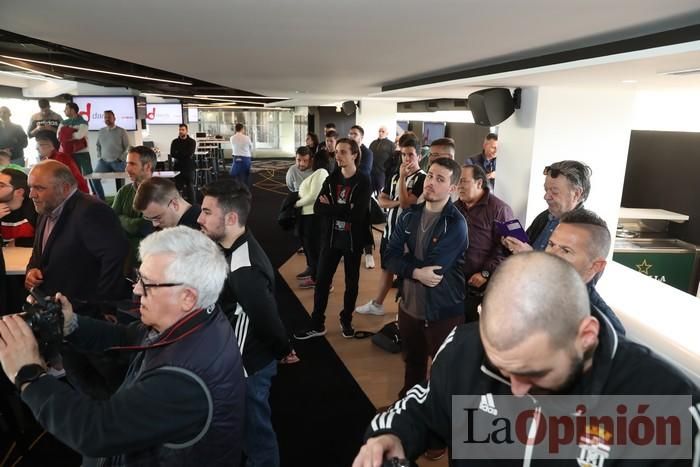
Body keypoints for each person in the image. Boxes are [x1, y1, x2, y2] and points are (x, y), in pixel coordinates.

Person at [353, 252, 700, 467]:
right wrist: (392, 436)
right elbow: (423, 408)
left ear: (586, 336)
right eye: (502, 369)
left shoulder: (671, 406)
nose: (516, 390)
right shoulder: (465, 349)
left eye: (534, 372)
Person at [0, 226, 246, 466]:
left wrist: (29, 375)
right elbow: (126, 338)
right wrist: (71, 324)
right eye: (139, 277)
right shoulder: (199, 317)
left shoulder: (185, 378)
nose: (136, 289)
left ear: (187, 297)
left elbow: (97, 432)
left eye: (147, 284)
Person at [198, 179, 294, 467]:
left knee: (257, 436)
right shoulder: (232, 248)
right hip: (241, 360)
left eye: (206, 212)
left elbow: (265, 318)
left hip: (246, 367)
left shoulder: (244, 268)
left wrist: (282, 350)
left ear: (230, 218)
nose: (199, 219)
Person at [384, 157, 467, 398]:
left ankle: (440, 423)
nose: (430, 182)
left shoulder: (456, 224)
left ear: (452, 189)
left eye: (440, 179)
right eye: (430, 175)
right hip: (409, 306)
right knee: (412, 364)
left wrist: (405, 265)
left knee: (444, 371)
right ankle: (408, 410)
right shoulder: (409, 216)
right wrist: (416, 272)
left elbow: (436, 270)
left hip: (442, 311)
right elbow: (389, 257)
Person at [25, 160, 130, 311]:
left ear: (65, 188)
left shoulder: (92, 210)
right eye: (30, 187)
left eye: (39, 188)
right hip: (53, 307)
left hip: (84, 312)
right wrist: (32, 270)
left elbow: (115, 258)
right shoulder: (46, 207)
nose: (31, 194)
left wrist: (104, 306)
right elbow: (40, 252)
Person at [293, 138, 371, 340]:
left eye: (343, 152)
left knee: (351, 283)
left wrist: (333, 208)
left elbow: (358, 215)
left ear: (354, 154)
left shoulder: (363, 180)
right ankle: (316, 323)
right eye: (337, 152)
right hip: (331, 239)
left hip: (352, 240)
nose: (338, 155)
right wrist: (346, 208)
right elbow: (319, 208)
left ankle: (346, 319)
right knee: (322, 282)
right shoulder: (332, 178)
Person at [355, 132, 425, 316]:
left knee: (406, 275)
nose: (407, 158)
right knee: (386, 269)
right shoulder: (394, 176)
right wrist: (397, 199)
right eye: (403, 154)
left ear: (419, 156)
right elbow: (382, 200)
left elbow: (405, 203)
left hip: (408, 236)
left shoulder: (422, 179)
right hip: (390, 232)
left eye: (410, 154)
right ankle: (377, 305)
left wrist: (402, 182)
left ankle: (404, 311)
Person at [546, 208, 626, 335]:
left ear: (595, 266)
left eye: (566, 250)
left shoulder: (604, 330)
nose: (550, 254)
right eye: (551, 244)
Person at [454, 164, 513, 322]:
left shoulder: (501, 209)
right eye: (458, 181)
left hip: (480, 287)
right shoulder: (454, 207)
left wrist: (486, 272)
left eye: (463, 181)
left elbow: (512, 248)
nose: (459, 185)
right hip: (453, 282)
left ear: (479, 183)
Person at [503, 160, 592, 253]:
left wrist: (529, 255)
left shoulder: (584, 231)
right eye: (546, 190)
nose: (546, 197)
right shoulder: (544, 217)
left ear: (576, 194)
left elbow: (565, 267)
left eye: (554, 192)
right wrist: (513, 246)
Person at [113, 146, 156, 271]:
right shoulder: (124, 191)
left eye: (132, 164)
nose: (127, 169)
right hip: (123, 257)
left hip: (149, 261)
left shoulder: (159, 193)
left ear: (147, 167)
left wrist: (121, 219)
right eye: (127, 163)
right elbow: (112, 221)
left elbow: (144, 227)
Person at [296, 152, 330, 287]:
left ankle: (319, 280)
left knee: (315, 248)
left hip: (313, 216)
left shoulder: (321, 172)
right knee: (311, 247)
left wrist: (296, 204)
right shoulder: (317, 173)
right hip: (308, 215)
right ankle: (315, 275)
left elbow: (314, 196)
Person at [58, 102, 100, 198]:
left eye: (66, 108)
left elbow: (80, 135)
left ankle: (98, 196)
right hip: (68, 152)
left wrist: (66, 134)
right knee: (73, 176)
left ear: (72, 110)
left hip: (82, 153)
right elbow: (59, 136)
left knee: (89, 176)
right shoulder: (63, 122)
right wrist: (72, 133)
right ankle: (77, 196)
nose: (64, 111)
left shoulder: (83, 122)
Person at [348, 125, 375, 269]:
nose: (352, 136)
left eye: (355, 134)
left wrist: (348, 167)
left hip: (363, 193)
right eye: (350, 133)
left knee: (364, 223)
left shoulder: (367, 152)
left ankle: (369, 253)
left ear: (361, 137)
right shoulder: (347, 150)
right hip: (348, 191)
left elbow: (364, 171)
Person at [133, 176, 201, 229]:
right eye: (149, 218)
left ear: (175, 204)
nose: (154, 224)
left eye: (158, 217)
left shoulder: (195, 232)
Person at [34, 129, 90, 194]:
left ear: (52, 146)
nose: (37, 148)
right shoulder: (46, 159)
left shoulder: (61, 159)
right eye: (37, 145)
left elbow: (65, 183)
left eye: (41, 145)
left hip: (76, 194)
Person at [0, 168, 37, 247]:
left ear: (19, 192)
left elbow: (43, 242)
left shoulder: (35, 208)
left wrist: (16, 243)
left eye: (1, 185)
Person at [95, 109, 130, 192]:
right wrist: (100, 157)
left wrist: (121, 158)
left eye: (109, 117)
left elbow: (128, 147)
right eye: (105, 117)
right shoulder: (101, 131)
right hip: (104, 162)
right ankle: (101, 200)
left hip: (118, 162)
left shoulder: (121, 131)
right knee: (94, 178)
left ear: (114, 118)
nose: (107, 119)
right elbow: (98, 145)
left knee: (121, 182)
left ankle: (121, 198)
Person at [170, 123, 197, 203]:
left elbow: (189, 153)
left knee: (190, 187)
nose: (181, 131)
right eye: (180, 130)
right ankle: (178, 205)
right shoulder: (174, 141)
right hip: (178, 168)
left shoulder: (192, 142)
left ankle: (193, 206)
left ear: (186, 131)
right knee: (177, 188)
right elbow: (172, 154)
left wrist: (179, 153)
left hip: (189, 167)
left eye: (183, 130)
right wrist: (183, 154)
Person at [368, 126, 394, 193]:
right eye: (379, 131)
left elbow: (393, 158)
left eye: (383, 131)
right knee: (370, 192)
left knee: (381, 192)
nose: (380, 133)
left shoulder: (391, 144)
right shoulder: (373, 143)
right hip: (372, 172)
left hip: (382, 173)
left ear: (387, 133)